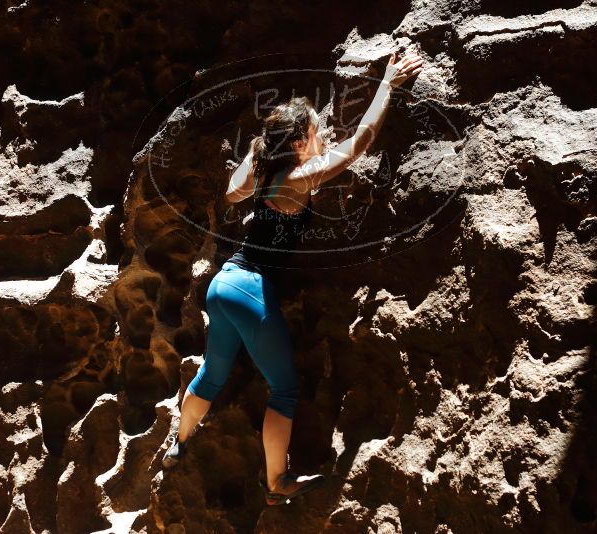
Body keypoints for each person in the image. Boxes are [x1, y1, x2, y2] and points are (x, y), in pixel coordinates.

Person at [162, 51, 424, 506]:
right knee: (283, 388)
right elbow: (361, 141)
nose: (324, 134)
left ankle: (179, 443)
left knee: (211, 373)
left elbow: (230, 190)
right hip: (250, 290)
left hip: (223, 284)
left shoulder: (262, 175)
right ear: (301, 143)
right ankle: (276, 482)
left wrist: (261, 145)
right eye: (317, 131)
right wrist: (388, 85)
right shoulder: (299, 178)